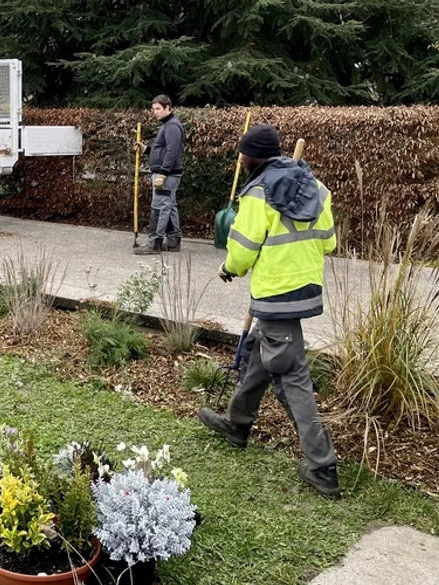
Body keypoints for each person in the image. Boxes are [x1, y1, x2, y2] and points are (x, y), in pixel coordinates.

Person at [196, 124, 341, 498]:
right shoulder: (315, 187)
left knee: (292, 378)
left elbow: (243, 250)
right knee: (262, 354)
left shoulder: (259, 193)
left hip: (276, 296)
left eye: (242, 154)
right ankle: (237, 422)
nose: (240, 160)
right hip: (303, 289)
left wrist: (230, 267)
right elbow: (329, 242)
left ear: (252, 157)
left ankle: (322, 466)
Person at [134, 94, 184, 255]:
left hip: (167, 175)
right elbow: (162, 149)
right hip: (168, 173)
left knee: (160, 207)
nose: (155, 112)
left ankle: (154, 243)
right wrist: (146, 149)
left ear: (168, 108)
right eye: (153, 108)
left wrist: (163, 173)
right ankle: (173, 241)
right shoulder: (167, 125)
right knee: (169, 206)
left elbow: (172, 151)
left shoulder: (172, 126)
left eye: (158, 109)